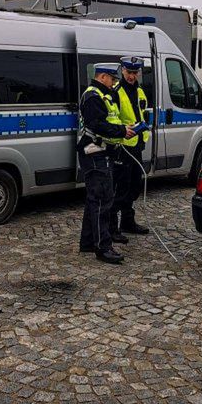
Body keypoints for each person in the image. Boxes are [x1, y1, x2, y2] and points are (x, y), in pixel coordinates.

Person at [77, 63, 136, 264]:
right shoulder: (93, 96)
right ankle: (103, 247)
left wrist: (121, 128)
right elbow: (98, 125)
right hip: (94, 152)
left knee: (94, 199)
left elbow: (108, 121)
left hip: (100, 151)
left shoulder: (101, 94)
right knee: (103, 200)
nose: (114, 83)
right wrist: (121, 131)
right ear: (103, 77)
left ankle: (87, 242)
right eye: (112, 79)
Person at [112, 56, 151, 238]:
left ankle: (128, 221)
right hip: (122, 146)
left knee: (136, 184)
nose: (132, 76)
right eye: (129, 72)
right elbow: (112, 118)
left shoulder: (140, 91)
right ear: (122, 70)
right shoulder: (116, 91)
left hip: (136, 144)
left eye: (135, 73)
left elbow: (142, 114)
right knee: (121, 187)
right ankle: (113, 227)